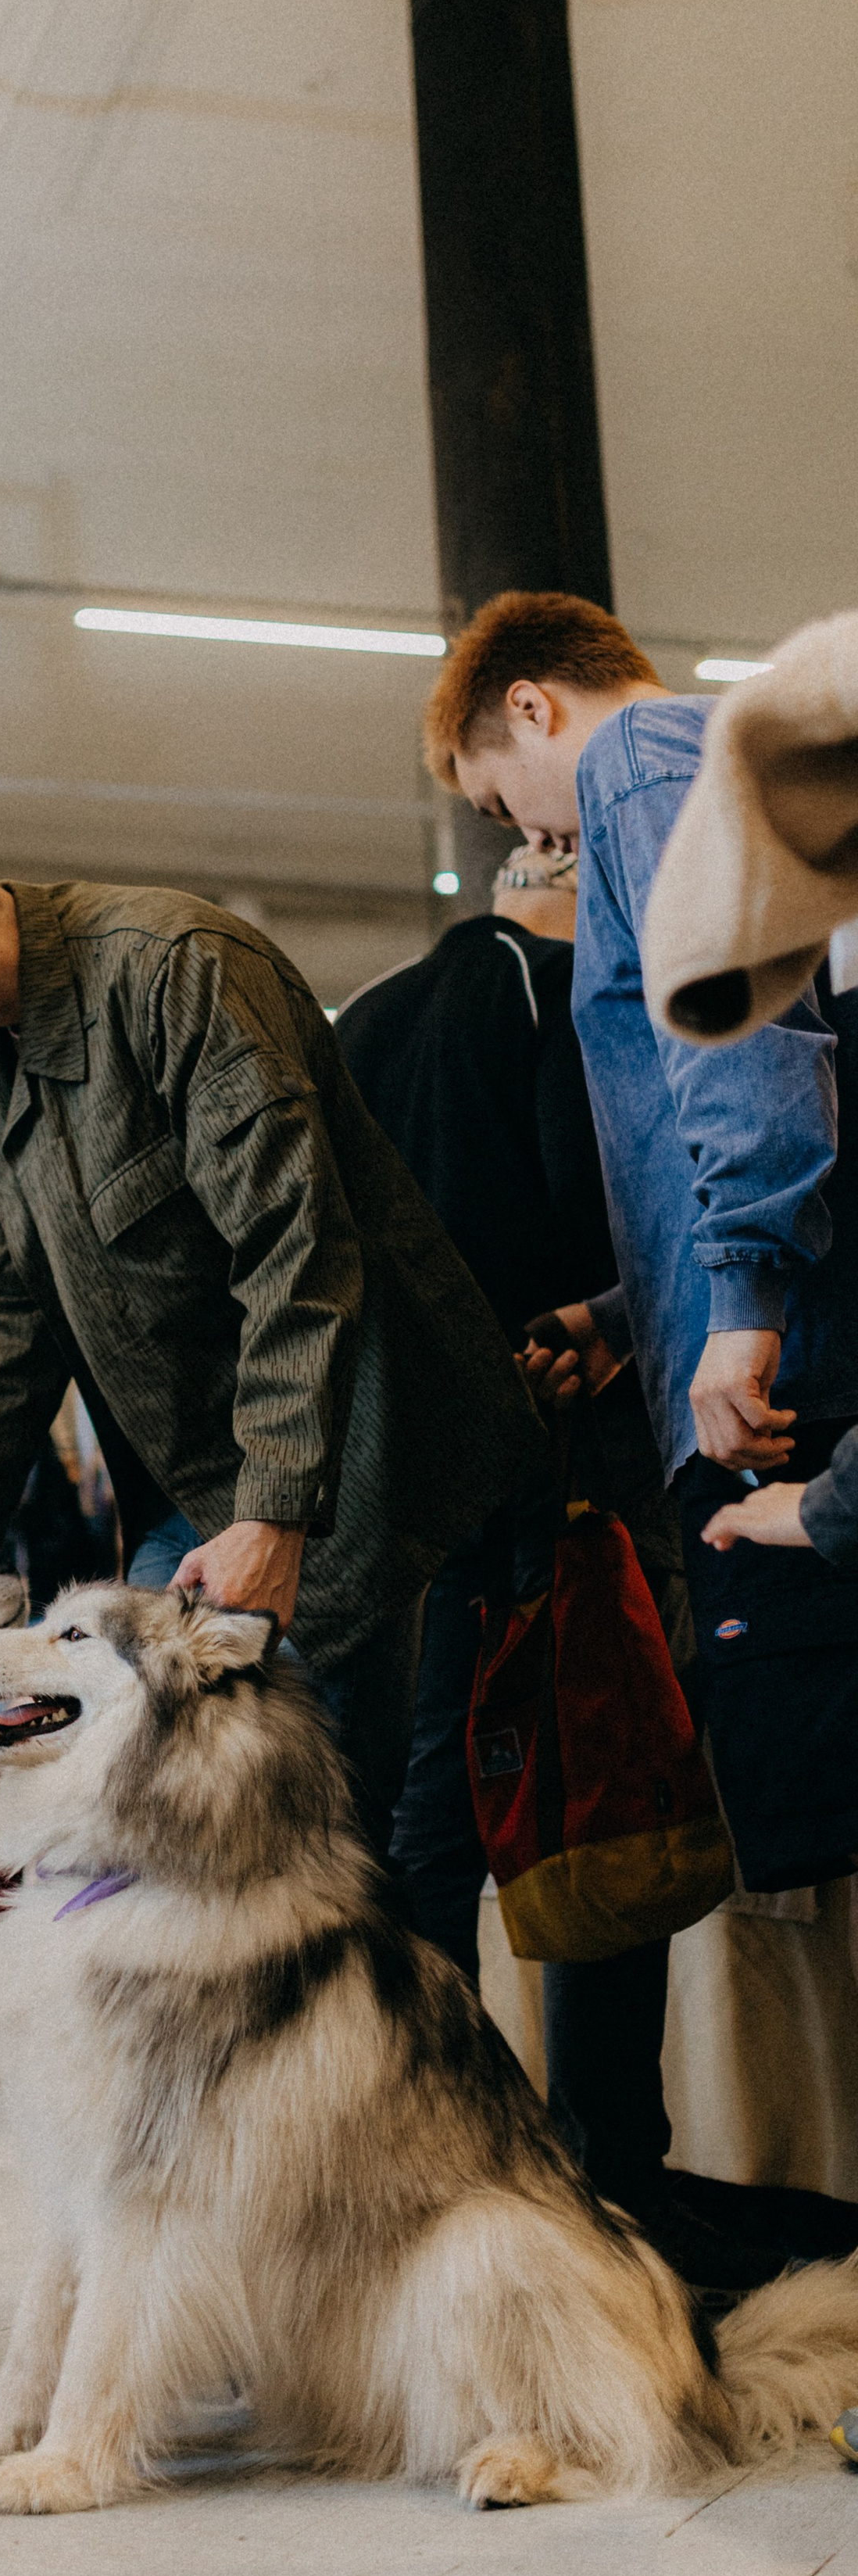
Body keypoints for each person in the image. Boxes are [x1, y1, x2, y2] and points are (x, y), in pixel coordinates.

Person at [0, 791, 543, 1858]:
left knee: (327, 1853)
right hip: (204, 1488)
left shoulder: (176, 974)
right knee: (174, 1829)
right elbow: (14, 1308)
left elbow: (295, 1250)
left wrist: (274, 1517)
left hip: (354, 1463)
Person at [336, 845, 780, 2292]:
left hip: (401, 1479)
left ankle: (417, 2179)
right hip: (563, 1450)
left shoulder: (372, 1018)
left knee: (427, 1833)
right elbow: (615, 1220)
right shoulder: (568, 1003)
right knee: (601, 1785)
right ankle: (613, 2176)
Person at [430, 590, 858, 1901]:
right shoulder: (701, 776)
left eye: (506, 806)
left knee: (820, 1816)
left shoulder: (639, 759)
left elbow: (746, 1044)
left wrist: (738, 1310)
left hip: (773, 1387)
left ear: (531, 708)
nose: (535, 843)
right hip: (771, 1345)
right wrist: (624, 1318)